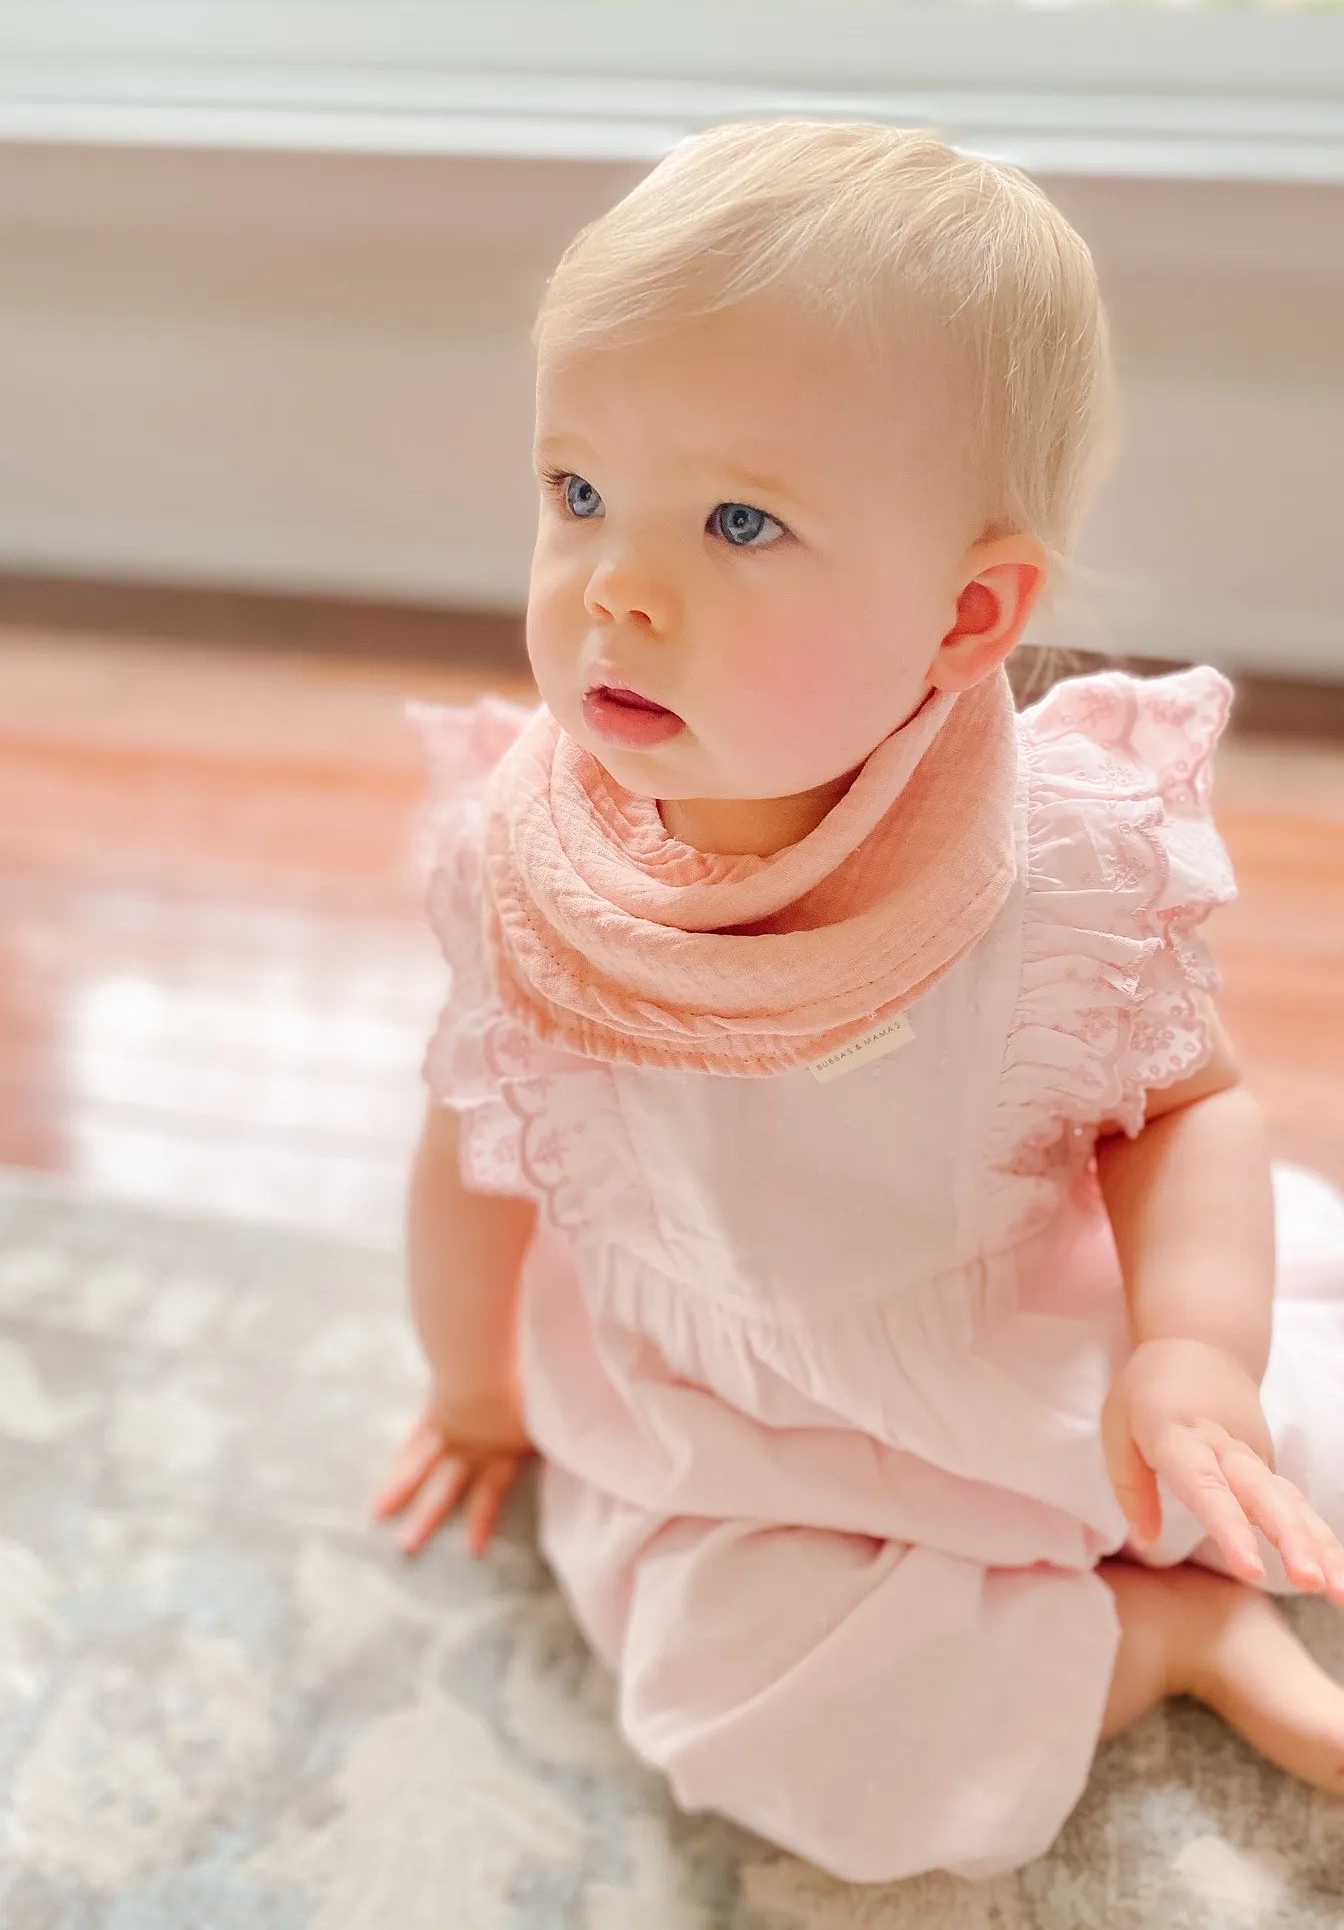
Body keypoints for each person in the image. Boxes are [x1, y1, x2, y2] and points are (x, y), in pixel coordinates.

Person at [372, 120, 1344, 1882]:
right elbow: (472, 1147)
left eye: (742, 521)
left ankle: (1163, 1520)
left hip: (1021, 1329)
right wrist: (472, 1395)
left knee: (1288, 1443)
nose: (618, 587)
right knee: (766, 1727)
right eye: (578, 493)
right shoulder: (524, 876)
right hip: (731, 1414)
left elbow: (1188, 1108)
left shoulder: (1052, 865)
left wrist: (1198, 1352)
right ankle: (1170, 1641)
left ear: (970, 615)